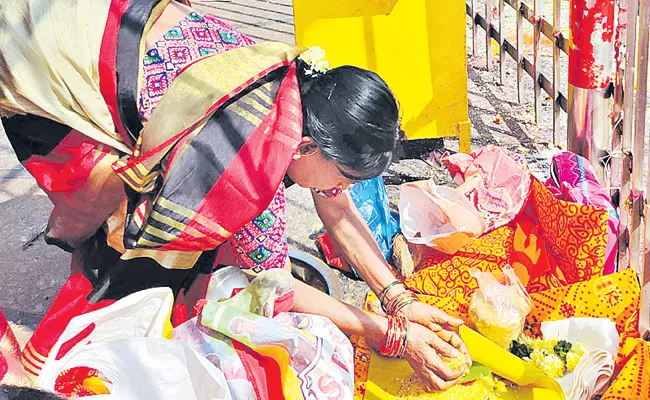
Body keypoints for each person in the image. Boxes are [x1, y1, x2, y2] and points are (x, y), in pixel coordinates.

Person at [0, 0, 469, 391]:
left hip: (111, 23)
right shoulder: (244, 166)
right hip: (43, 51)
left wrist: (397, 300)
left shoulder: (301, 86)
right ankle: (44, 363)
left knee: (188, 229)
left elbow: (334, 203)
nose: (342, 189)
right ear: (306, 145)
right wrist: (389, 335)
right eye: (345, 174)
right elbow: (275, 286)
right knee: (137, 249)